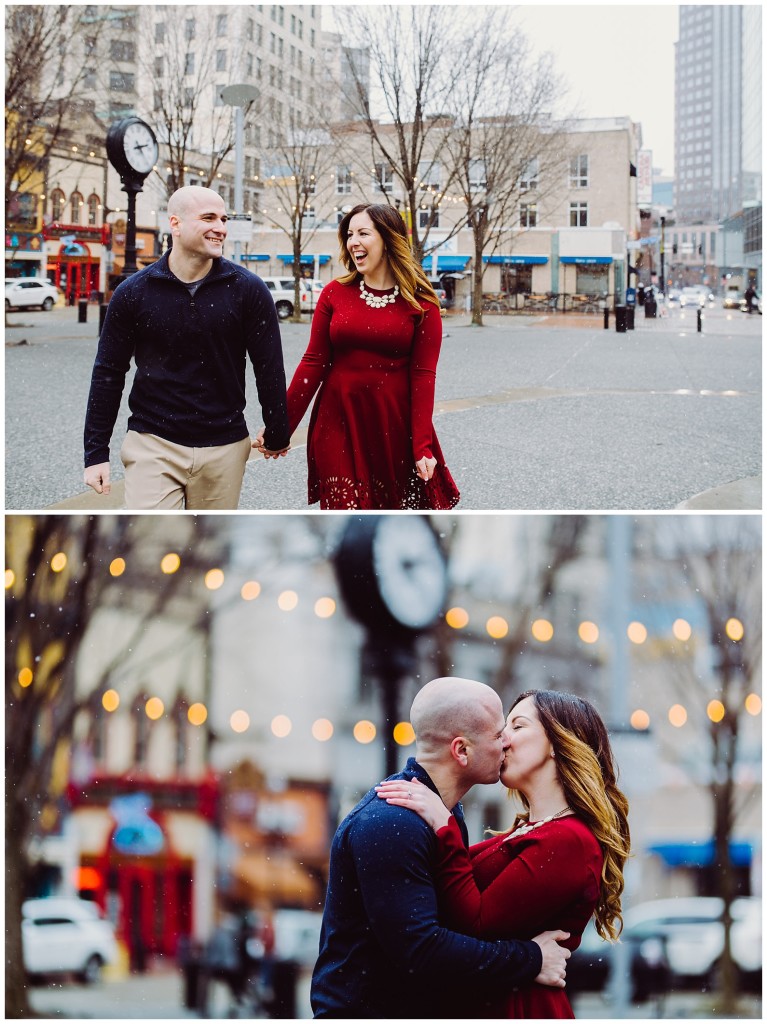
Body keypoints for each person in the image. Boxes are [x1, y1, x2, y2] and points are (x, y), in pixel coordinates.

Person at [310, 677, 571, 1019]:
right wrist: (530, 958)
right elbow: (422, 948)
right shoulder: (392, 822)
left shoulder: (440, 814)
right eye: (497, 734)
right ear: (461, 750)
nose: (507, 741)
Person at [377, 689, 631, 1019]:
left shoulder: (570, 840)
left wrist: (444, 825)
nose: (502, 740)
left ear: (557, 743)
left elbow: (477, 924)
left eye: (517, 726)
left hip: (518, 1009)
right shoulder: (530, 830)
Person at [83, 185, 290, 509]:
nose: (220, 227)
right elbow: (108, 373)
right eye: (208, 218)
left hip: (225, 447)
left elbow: (269, 367)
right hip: (153, 444)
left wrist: (279, 431)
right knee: (147, 541)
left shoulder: (248, 290)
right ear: (175, 224)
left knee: (208, 545)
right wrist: (95, 453)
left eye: (223, 219)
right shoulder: (133, 293)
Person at [256, 203, 460, 510]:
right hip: (337, 418)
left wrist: (422, 445)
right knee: (344, 509)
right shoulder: (334, 294)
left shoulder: (422, 304)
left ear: (388, 240)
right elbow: (313, 362)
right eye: (349, 234)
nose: (354, 242)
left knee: (388, 512)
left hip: (392, 423)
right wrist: (280, 426)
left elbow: (423, 375)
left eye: (363, 233)